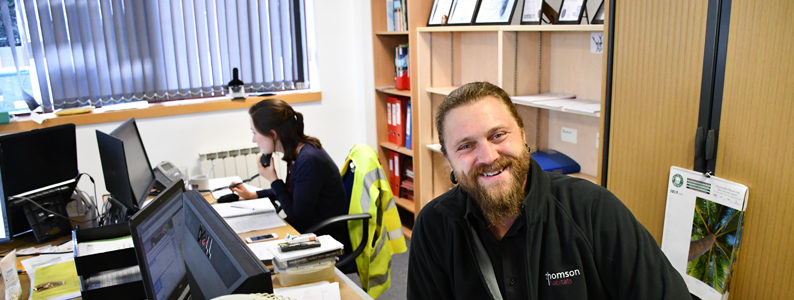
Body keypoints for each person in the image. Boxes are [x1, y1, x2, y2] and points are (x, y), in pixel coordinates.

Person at [407, 82, 689, 299]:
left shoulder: (594, 210)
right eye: (466, 146)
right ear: (449, 160)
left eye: (498, 135)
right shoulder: (434, 227)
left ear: (523, 135)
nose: (488, 156)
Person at [230, 99, 351, 253]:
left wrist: (273, 180)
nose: (254, 139)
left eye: (255, 133)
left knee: (253, 251)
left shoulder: (308, 160)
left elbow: (297, 216)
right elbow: (294, 191)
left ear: (273, 134)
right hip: (308, 231)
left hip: (323, 239)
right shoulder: (297, 152)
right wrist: (254, 194)